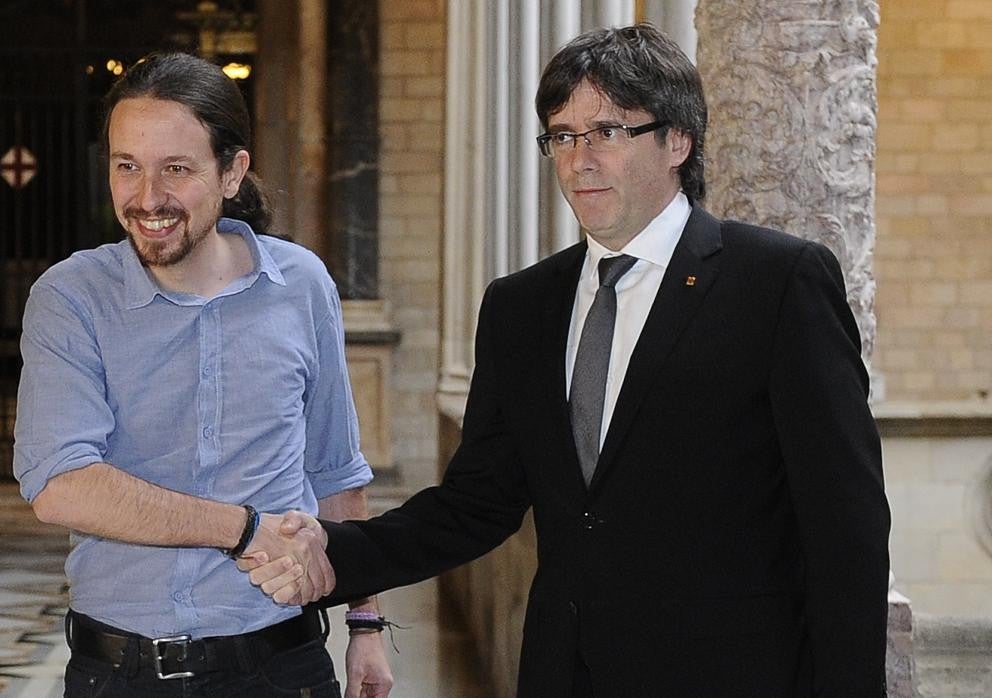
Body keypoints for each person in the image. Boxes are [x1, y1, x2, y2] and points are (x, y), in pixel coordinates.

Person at [246, 24, 891, 697]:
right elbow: (477, 503)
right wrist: (335, 551)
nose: (579, 159)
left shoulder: (777, 283)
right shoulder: (522, 307)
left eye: (607, 132)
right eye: (562, 135)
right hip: (565, 672)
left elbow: (845, 524)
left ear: (678, 140)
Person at [13, 51, 393, 697]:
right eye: (126, 166)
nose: (147, 198)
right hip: (121, 673)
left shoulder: (300, 282)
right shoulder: (72, 296)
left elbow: (335, 470)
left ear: (231, 172)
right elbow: (61, 484)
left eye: (176, 170)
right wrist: (246, 530)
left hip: (284, 668)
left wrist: (366, 623)